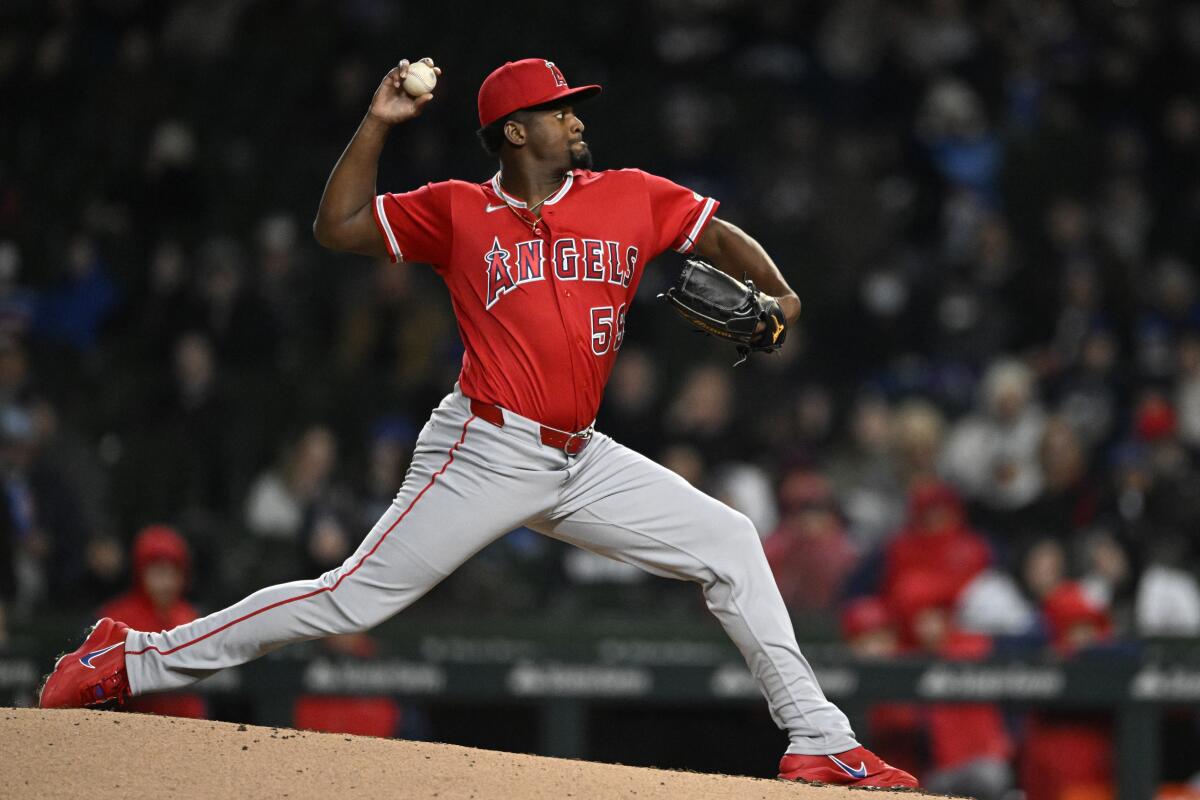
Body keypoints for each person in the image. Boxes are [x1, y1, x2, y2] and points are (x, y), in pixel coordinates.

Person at [38, 57, 916, 788]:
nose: (576, 119)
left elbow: (716, 235)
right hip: (485, 448)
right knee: (349, 596)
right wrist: (378, 123)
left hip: (582, 458)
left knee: (729, 539)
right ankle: (129, 659)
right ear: (515, 131)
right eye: (559, 110)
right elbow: (338, 226)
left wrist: (783, 295)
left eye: (573, 107)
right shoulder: (458, 209)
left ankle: (818, 737)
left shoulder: (630, 195)